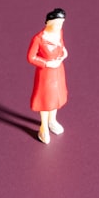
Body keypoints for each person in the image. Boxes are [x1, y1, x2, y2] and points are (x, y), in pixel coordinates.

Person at [27, 8, 68, 144]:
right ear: (48, 22)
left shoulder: (59, 33)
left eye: (61, 24)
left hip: (58, 71)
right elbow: (31, 57)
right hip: (46, 74)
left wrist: (64, 52)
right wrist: (47, 63)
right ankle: (43, 126)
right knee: (45, 100)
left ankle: (52, 121)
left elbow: (61, 45)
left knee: (56, 97)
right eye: (56, 24)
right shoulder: (38, 39)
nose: (59, 27)